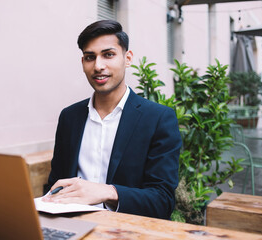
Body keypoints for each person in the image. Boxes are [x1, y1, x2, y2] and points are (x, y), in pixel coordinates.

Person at [43, 20, 182, 219]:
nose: (98, 66)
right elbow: (55, 184)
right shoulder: (69, 117)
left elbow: (162, 201)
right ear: (83, 63)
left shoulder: (158, 119)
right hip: (73, 228)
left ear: (127, 58)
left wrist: (108, 192)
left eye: (108, 55)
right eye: (90, 57)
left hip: (126, 231)